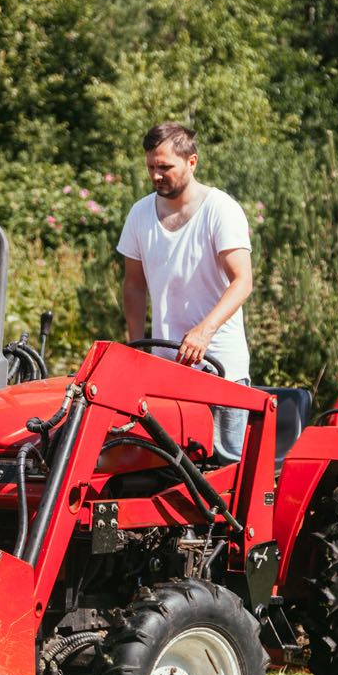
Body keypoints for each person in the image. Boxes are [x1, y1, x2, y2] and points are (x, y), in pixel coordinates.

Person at [117, 122, 253, 462]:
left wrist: (204, 331)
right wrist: (137, 347)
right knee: (168, 470)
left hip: (220, 366)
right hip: (168, 371)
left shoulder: (220, 209)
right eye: (151, 167)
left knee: (225, 470)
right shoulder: (140, 214)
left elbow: (243, 281)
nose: (156, 175)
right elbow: (134, 284)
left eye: (165, 167)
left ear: (192, 162)